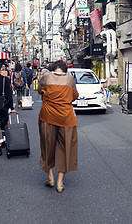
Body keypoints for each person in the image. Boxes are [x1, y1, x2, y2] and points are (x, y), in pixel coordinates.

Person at [37, 60, 79, 193]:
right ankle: (60, 183)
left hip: (47, 116)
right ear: (65, 69)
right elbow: (74, 96)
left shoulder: (45, 78)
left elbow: (40, 91)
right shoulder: (70, 79)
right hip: (66, 118)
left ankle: (50, 177)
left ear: (53, 68)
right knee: (65, 148)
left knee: (47, 146)